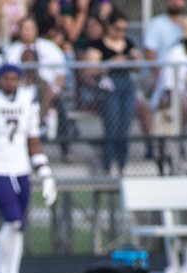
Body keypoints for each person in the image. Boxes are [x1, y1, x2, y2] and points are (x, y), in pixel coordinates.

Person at [0, 63, 57, 273]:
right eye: (6, 78)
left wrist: (45, 173)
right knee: (13, 221)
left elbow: (33, 140)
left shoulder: (28, 99)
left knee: (18, 226)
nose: (10, 82)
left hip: (21, 168)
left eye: (14, 78)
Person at [82, 9, 139, 177]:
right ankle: (107, 166)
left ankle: (122, 166)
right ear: (109, 27)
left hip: (126, 86)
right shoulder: (98, 45)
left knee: (124, 128)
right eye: (117, 29)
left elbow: (138, 68)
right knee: (112, 128)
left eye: (124, 29)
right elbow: (88, 71)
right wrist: (113, 62)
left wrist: (134, 60)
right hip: (108, 87)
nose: (121, 33)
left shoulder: (128, 44)